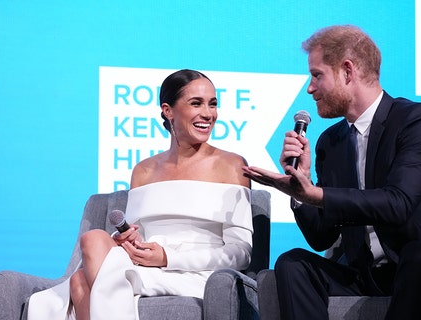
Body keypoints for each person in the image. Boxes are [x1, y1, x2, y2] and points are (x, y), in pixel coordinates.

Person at [242, 25, 421, 320]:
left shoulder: (418, 121)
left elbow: (398, 204)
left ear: (347, 71)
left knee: (418, 256)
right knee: (293, 263)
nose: (310, 88)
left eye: (317, 75)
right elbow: (321, 237)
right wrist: (301, 191)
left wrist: (317, 194)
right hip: (368, 274)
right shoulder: (331, 142)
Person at [28, 69, 253, 320]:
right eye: (196, 103)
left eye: (212, 104)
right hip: (144, 265)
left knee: (83, 282)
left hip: (199, 274)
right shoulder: (144, 170)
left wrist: (167, 257)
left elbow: (241, 252)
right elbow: (137, 237)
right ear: (168, 111)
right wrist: (129, 241)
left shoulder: (232, 166)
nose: (208, 114)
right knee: (92, 240)